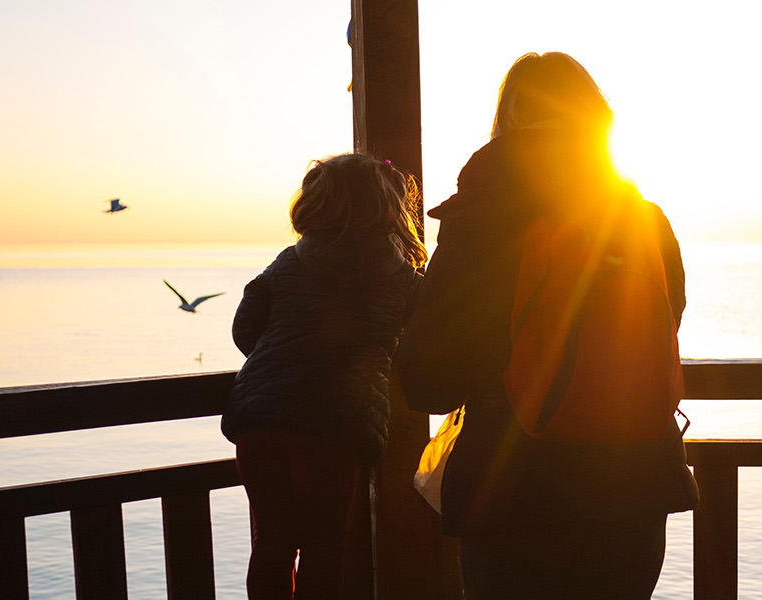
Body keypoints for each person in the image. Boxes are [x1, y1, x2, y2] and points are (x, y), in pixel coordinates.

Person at [393, 51, 697, 599]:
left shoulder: (479, 219)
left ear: (508, 122)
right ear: (597, 120)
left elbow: (425, 378)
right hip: (635, 485)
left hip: (514, 495)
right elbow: (664, 322)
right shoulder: (645, 221)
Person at [222, 153, 426, 599]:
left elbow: (244, 330)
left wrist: (284, 360)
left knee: (272, 545)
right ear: (386, 206)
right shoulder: (400, 277)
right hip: (331, 425)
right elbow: (429, 334)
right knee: (324, 547)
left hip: (257, 420)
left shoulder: (287, 262)